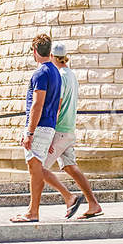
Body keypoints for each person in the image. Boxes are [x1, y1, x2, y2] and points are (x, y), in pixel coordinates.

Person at [10, 34, 90, 223]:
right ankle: (59, 200)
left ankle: (34, 211)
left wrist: (29, 132)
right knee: (37, 167)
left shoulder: (40, 73)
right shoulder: (55, 72)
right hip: (49, 126)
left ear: (35, 51)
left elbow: (37, 104)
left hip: (39, 127)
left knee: (35, 168)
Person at [48, 42, 104, 217]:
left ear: (52, 57)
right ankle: (93, 204)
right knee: (71, 166)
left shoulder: (61, 76)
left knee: (38, 167)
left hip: (59, 129)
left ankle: (68, 198)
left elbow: (58, 104)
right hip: (69, 128)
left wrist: (49, 133)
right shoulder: (71, 75)